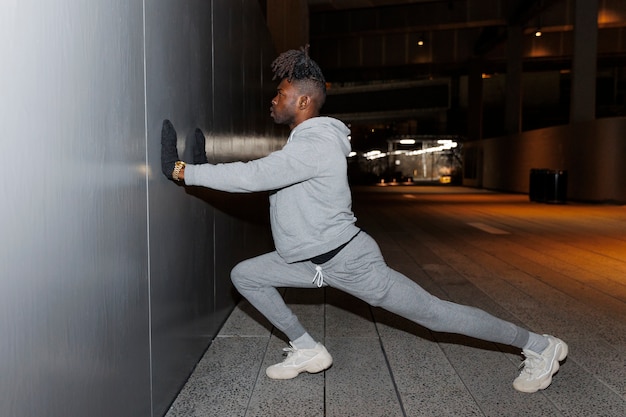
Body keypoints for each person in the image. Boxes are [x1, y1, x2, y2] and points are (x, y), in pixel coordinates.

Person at [161, 45, 567, 393]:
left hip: (348, 262)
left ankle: (538, 345)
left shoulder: (316, 143)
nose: (274, 99)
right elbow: (270, 177)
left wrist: (185, 172)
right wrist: (204, 171)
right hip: (308, 260)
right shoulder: (304, 144)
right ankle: (306, 348)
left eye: (281, 93)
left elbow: (256, 175)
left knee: (435, 314)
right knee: (247, 275)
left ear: (303, 101)